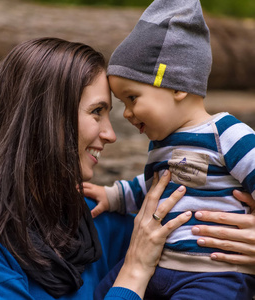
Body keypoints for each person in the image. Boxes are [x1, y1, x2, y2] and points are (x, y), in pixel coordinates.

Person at [0, 37, 193, 299]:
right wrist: (134, 273)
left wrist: (244, 242)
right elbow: (139, 261)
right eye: (96, 111)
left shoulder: (92, 217)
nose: (110, 134)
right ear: (46, 117)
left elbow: (196, 242)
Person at [82, 0, 255, 299]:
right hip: (158, 264)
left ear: (177, 87)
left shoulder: (226, 134)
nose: (126, 113)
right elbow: (152, 189)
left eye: (132, 98)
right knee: (104, 292)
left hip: (213, 273)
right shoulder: (163, 145)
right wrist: (113, 195)